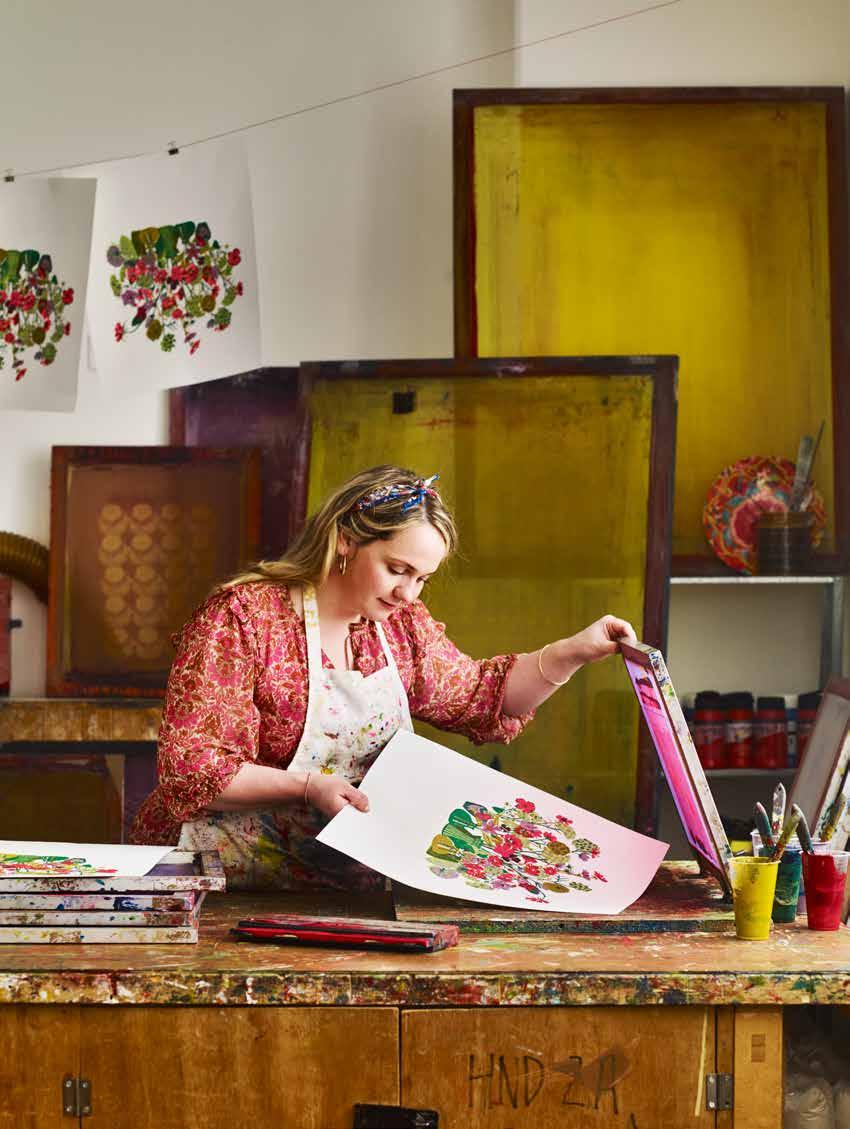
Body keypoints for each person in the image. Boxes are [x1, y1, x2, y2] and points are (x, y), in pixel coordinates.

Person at [131, 465, 636, 890]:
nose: (408, 594)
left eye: (422, 579)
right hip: (221, 882)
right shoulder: (244, 619)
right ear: (346, 541)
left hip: (336, 886)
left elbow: (487, 697)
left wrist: (574, 652)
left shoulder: (399, 626)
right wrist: (308, 787)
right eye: (397, 569)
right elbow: (194, 770)